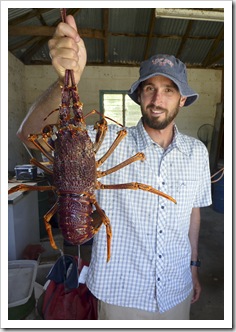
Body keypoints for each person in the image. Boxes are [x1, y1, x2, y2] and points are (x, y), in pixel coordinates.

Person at [17, 15, 212, 320]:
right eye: (149, 88)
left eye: (169, 89)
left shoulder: (198, 152)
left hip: (177, 289)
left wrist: (194, 267)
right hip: (119, 292)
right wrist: (64, 80)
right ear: (138, 96)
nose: (157, 98)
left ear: (183, 99)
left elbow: (194, 212)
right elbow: (29, 133)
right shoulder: (105, 141)